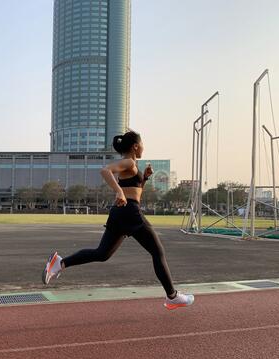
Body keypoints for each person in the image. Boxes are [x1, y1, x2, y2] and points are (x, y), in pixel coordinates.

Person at [42, 130, 194, 310]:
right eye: (142, 144)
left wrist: (144, 178)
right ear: (136, 146)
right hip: (130, 211)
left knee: (102, 254)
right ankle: (172, 296)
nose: (143, 147)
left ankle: (60, 263)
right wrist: (118, 191)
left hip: (121, 212)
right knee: (157, 251)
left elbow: (136, 192)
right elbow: (105, 170)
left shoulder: (134, 166)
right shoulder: (129, 162)